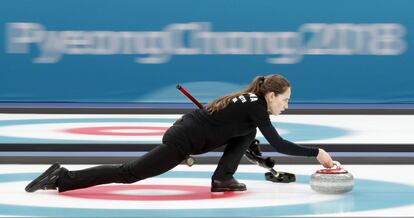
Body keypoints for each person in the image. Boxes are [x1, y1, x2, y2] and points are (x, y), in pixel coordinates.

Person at [25, 74, 334, 193]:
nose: (287, 105)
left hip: (189, 131)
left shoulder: (251, 104)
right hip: (182, 140)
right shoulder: (256, 106)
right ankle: (62, 177)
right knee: (129, 174)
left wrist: (247, 146)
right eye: (286, 99)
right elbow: (278, 143)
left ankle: (223, 178)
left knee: (247, 134)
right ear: (271, 95)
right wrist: (316, 153)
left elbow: (237, 129)